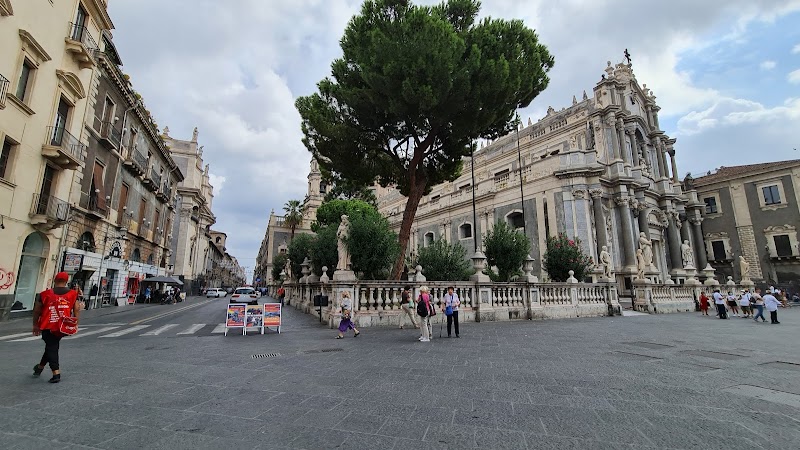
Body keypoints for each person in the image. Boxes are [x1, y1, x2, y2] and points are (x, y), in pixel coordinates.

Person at [32, 272, 81, 383]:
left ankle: (56, 373)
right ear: (66, 281)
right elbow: (77, 309)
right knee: (51, 346)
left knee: (52, 347)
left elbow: (37, 311)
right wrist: (75, 323)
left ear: (55, 280)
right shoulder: (73, 294)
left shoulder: (44, 294)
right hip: (63, 325)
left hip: (47, 325)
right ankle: (39, 368)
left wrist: (35, 325)